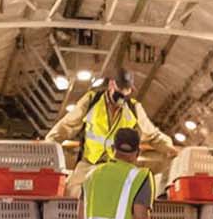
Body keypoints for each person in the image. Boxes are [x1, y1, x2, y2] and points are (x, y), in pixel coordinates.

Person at [46, 68, 176, 194]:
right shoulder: (91, 101)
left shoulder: (134, 108)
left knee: (122, 199)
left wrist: (170, 149)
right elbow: (66, 126)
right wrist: (49, 144)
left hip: (118, 168)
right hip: (89, 164)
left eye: (128, 89)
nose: (124, 93)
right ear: (111, 84)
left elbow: (152, 135)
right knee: (71, 193)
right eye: (121, 88)